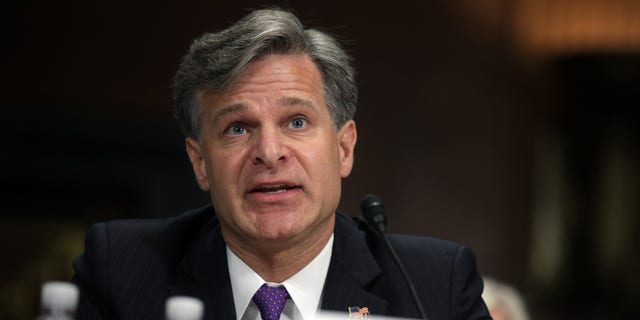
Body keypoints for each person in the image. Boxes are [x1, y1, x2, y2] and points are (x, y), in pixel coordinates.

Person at [72, 8, 491, 320]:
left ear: (344, 149)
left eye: (296, 121)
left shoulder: (435, 286)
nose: (269, 152)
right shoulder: (121, 269)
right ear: (200, 164)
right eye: (237, 128)